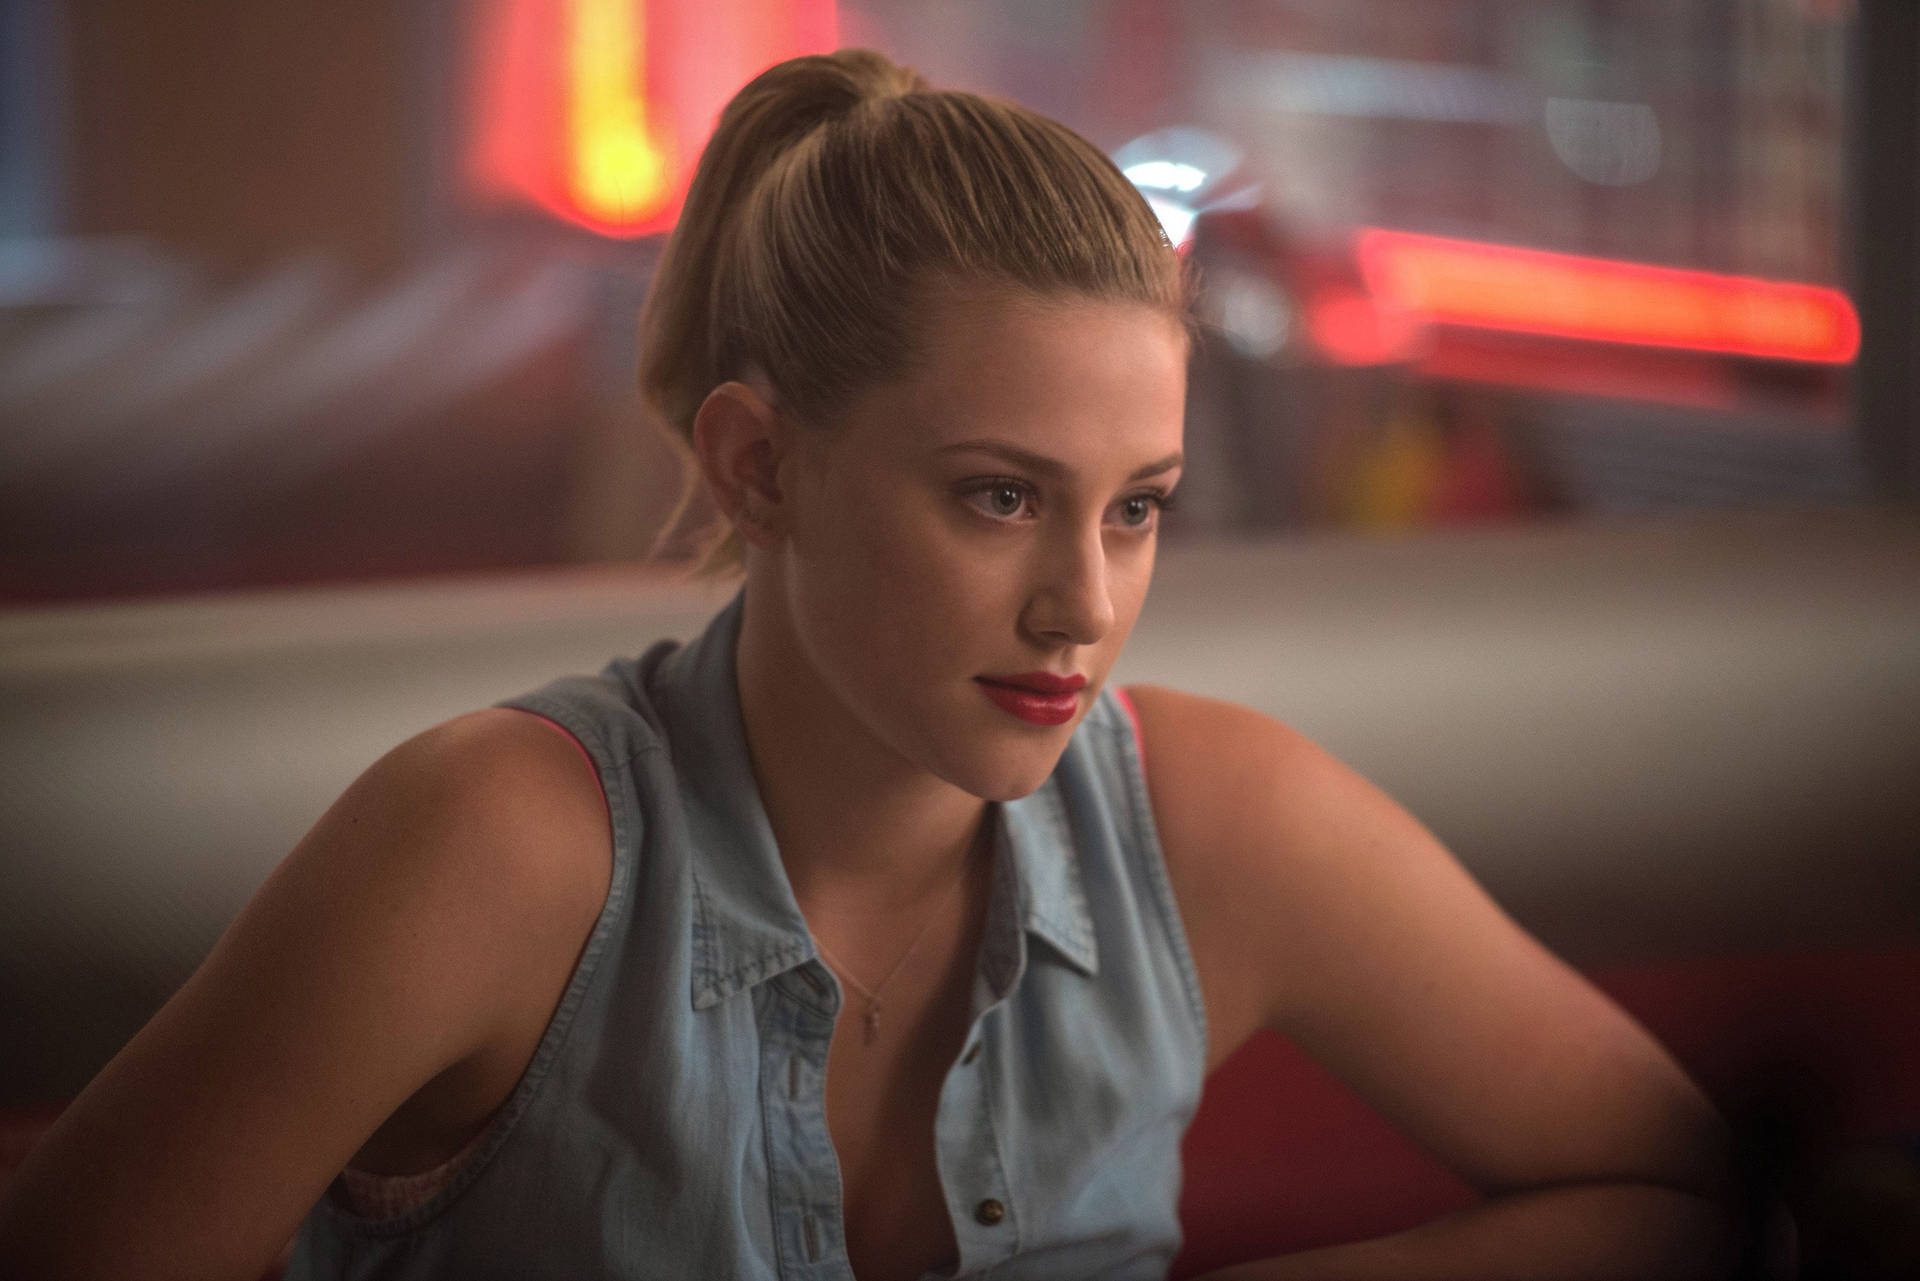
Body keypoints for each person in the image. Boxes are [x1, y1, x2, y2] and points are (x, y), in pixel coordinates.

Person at [0, 48, 1735, 1281]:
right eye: (1000, 497)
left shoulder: (1220, 820)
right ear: (760, 466)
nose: (1082, 605)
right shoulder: (494, 846)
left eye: (1136, 508)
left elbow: (1690, 1189)